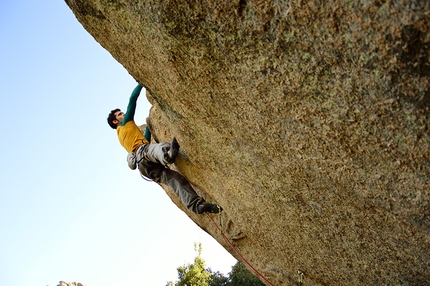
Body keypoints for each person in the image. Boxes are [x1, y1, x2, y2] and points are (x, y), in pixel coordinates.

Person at [107, 83, 222, 214]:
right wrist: (140, 82)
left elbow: (146, 141)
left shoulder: (122, 136)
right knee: (161, 148)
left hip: (145, 168)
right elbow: (132, 99)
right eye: (120, 114)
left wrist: (149, 127)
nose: (124, 114)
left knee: (176, 180)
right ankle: (167, 156)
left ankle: (197, 206)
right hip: (144, 153)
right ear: (115, 121)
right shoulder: (125, 124)